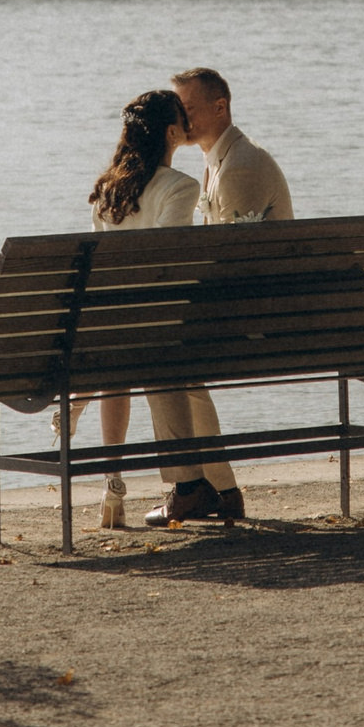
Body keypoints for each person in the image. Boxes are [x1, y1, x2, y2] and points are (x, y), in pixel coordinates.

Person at [141, 67, 295, 529]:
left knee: (159, 357)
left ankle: (193, 488)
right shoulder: (221, 160)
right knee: (174, 361)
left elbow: (234, 265)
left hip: (260, 321)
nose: (181, 120)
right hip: (264, 311)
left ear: (220, 107)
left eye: (188, 109)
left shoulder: (240, 167)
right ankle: (217, 491)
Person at [78, 89, 197, 530]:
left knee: (115, 365)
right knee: (138, 347)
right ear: (171, 132)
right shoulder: (181, 187)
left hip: (112, 326)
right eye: (183, 119)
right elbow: (165, 263)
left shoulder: (108, 191)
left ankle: (112, 483)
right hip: (158, 329)